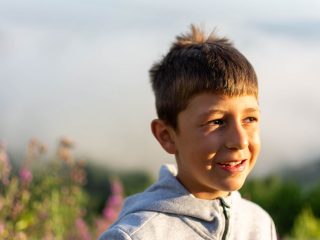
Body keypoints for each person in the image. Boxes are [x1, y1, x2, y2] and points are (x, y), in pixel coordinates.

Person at [99, 24, 277, 240]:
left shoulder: (259, 224)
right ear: (166, 135)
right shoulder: (137, 234)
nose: (239, 140)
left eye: (250, 119)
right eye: (217, 121)